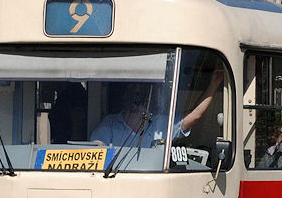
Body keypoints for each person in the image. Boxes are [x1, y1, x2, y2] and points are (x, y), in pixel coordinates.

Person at [90, 68, 225, 163]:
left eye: (141, 92)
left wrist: (214, 84)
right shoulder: (110, 124)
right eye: (132, 91)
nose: (137, 96)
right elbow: (96, 152)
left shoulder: (160, 123)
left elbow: (194, 115)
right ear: (124, 96)